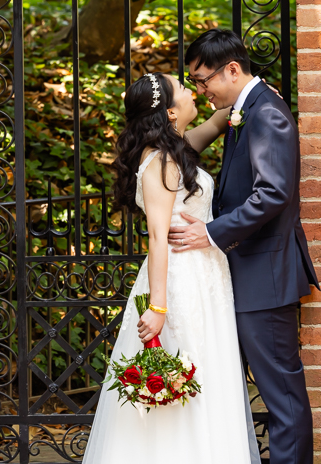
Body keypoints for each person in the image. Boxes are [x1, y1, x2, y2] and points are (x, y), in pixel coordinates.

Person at [82, 72, 260, 464]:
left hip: (205, 276)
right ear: (170, 112)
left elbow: (216, 123)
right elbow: (158, 237)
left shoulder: (174, 150)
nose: (193, 90)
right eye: (184, 88)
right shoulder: (162, 162)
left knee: (208, 373)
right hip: (181, 282)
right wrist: (158, 306)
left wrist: (254, 94)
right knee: (187, 371)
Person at [170, 29, 320, 464]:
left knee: (281, 395)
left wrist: (212, 232)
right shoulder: (245, 109)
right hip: (246, 274)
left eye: (204, 80)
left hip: (265, 276)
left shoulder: (266, 113)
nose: (201, 89)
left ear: (232, 70)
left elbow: (272, 194)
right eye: (194, 83)